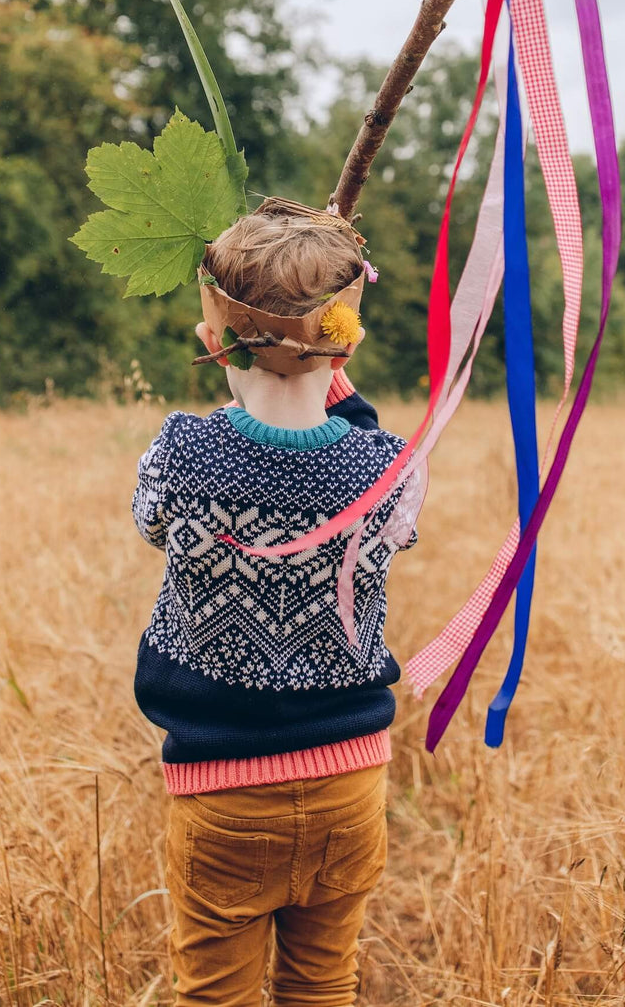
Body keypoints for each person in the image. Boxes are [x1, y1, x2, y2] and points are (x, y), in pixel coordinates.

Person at [132, 205, 421, 1007]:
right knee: (323, 983)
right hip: (349, 786)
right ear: (345, 338)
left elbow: (147, 518)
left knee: (214, 994)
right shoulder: (388, 468)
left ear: (216, 336)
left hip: (222, 792)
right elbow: (395, 517)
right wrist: (341, 398)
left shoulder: (182, 454)